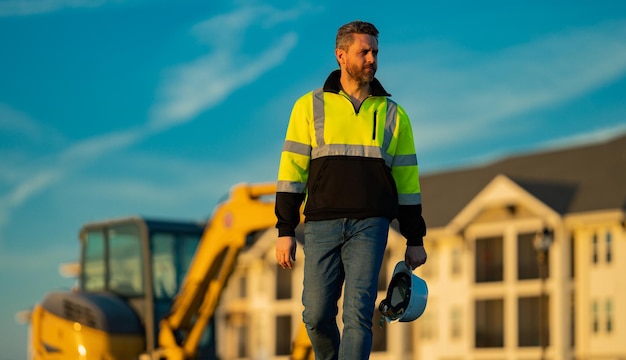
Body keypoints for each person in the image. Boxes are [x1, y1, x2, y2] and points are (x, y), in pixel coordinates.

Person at [275, 20, 427, 360]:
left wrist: (415, 238)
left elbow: (407, 182)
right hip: (320, 225)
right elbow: (291, 172)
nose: (372, 58)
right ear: (341, 55)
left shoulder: (393, 115)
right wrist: (285, 229)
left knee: (357, 313)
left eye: (375, 52)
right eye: (364, 52)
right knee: (314, 315)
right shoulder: (308, 106)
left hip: (370, 225)